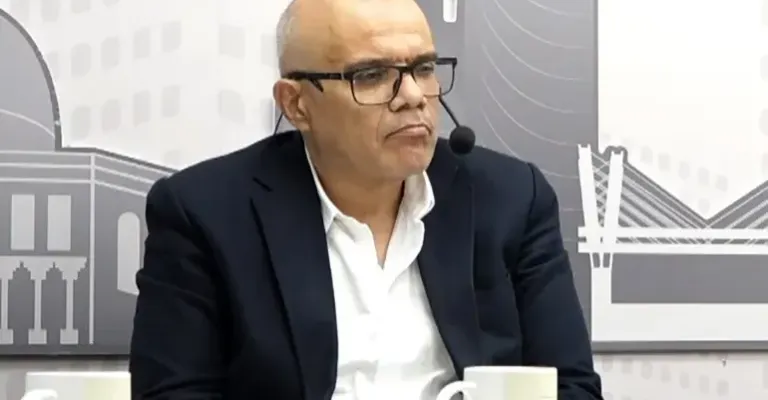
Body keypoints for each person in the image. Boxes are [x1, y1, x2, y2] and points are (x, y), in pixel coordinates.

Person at [129, 0, 603, 398]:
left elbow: (572, 388)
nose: (413, 96)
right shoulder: (205, 213)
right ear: (296, 104)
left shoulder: (512, 199)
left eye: (423, 68)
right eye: (372, 75)